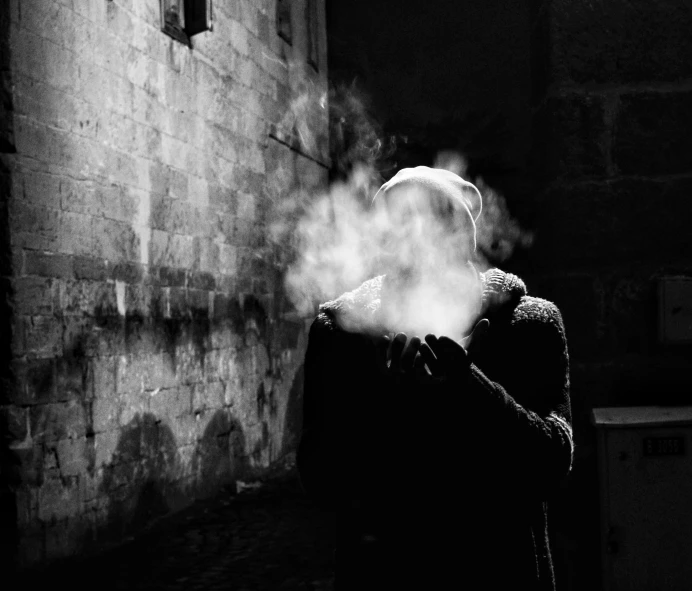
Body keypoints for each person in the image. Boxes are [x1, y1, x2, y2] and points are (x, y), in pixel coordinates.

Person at [297, 166, 573, 590]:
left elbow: (552, 462)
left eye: (435, 230)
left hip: (502, 569)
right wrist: (392, 400)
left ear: (464, 240)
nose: (418, 251)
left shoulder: (528, 325)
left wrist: (471, 388)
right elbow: (321, 477)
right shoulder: (342, 333)